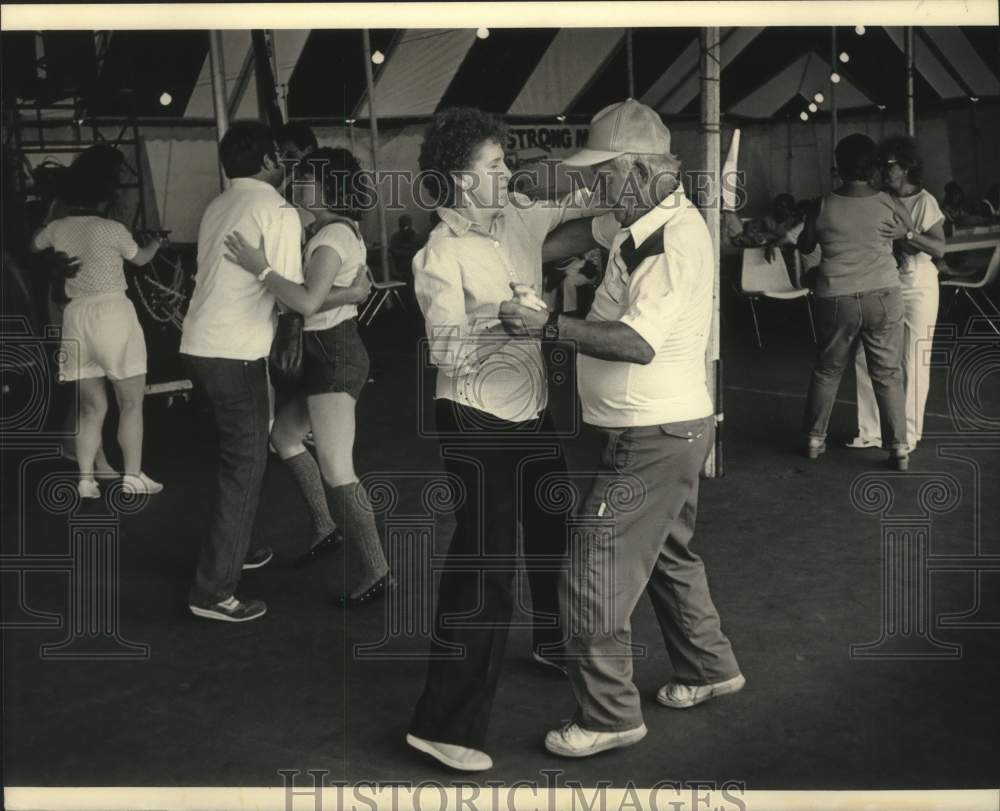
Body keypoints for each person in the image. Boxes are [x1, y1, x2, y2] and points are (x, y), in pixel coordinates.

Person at [500, 98, 744, 759]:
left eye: (600, 175)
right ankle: (711, 665)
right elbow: (569, 238)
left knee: (589, 575)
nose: (590, 186)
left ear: (635, 169)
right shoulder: (637, 216)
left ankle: (610, 714)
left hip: (653, 435)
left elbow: (636, 342)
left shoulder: (672, 240)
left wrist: (546, 325)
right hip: (668, 427)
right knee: (668, 555)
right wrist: (512, 239)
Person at [405, 106, 587, 772]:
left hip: (530, 410)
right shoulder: (439, 254)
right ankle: (442, 723)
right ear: (458, 181)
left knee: (551, 523)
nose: (506, 171)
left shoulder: (513, 221)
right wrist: (504, 324)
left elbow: (587, 202)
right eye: (493, 164)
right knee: (485, 564)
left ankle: (551, 638)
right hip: (475, 416)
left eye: (503, 160)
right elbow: (447, 353)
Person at [222, 147, 392, 604]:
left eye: (306, 179)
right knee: (284, 435)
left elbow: (306, 301)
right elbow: (321, 295)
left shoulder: (332, 234)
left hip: (334, 355)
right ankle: (325, 524)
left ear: (329, 185)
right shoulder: (322, 229)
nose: (297, 186)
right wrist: (351, 292)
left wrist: (259, 267)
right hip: (324, 351)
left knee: (338, 466)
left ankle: (378, 569)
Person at [180, 121, 305, 623]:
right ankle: (212, 593)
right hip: (235, 352)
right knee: (246, 468)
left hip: (200, 344)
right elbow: (294, 293)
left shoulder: (220, 203)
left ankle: (236, 548)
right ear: (272, 157)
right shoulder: (276, 208)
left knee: (238, 461)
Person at [31, 144, 165, 498]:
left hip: (76, 317)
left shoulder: (56, 227)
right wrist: (154, 245)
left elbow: (32, 246)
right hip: (113, 315)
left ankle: (86, 481)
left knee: (91, 408)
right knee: (131, 403)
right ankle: (133, 477)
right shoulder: (112, 228)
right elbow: (140, 261)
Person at [796, 133, 909, 470]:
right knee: (888, 373)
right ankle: (899, 448)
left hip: (836, 297)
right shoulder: (887, 201)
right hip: (884, 295)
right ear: (873, 167)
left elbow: (804, 245)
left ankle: (815, 440)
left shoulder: (822, 204)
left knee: (828, 369)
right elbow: (907, 227)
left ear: (838, 167)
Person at [850, 136, 946, 454]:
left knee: (914, 359)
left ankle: (909, 433)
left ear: (906, 167)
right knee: (868, 355)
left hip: (919, 285)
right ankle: (871, 430)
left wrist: (906, 234)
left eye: (889, 164)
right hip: (885, 283)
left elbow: (938, 247)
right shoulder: (881, 198)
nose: (884, 170)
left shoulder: (925, 201)